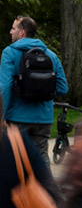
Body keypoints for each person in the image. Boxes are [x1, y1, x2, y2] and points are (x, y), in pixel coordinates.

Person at [1, 16, 68, 164]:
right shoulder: (51, 55)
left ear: (22, 32)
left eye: (13, 28)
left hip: (16, 118)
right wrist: (43, 93)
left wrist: (2, 115)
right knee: (41, 159)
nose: (10, 31)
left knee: (14, 162)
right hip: (43, 118)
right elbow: (63, 88)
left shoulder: (9, 53)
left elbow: (5, 87)